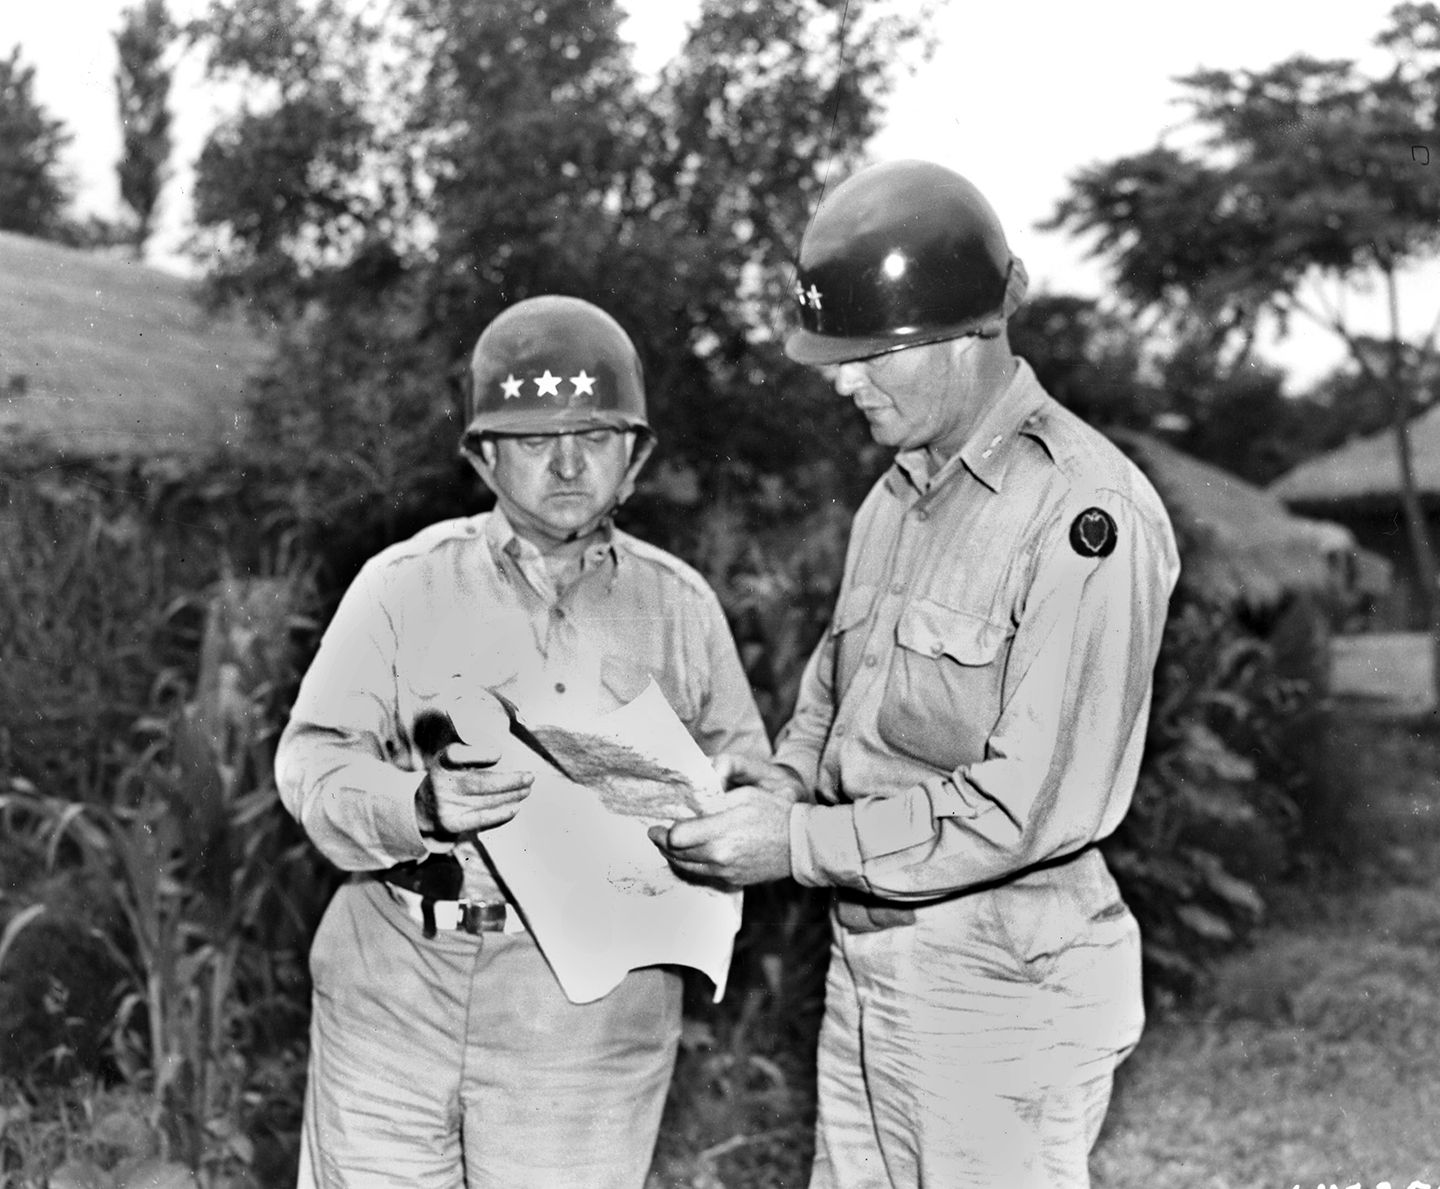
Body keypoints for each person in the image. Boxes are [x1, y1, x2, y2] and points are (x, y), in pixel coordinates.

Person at [654, 160, 1181, 1188]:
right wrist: (787, 777)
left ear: (969, 334)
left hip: (1002, 986)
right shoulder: (893, 500)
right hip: (872, 968)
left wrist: (796, 842)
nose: (841, 381)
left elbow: (1024, 804)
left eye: (866, 356)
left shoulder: (1083, 516)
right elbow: (837, 690)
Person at [275, 295, 771, 1189]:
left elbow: (758, 777)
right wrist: (418, 806)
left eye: (597, 435)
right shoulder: (401, 586)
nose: (570, 463)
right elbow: (310, 759)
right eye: (537, 439)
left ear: (636, 455)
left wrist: (734, 804)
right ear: (484, 455)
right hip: (396, 988)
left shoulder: (681, 606)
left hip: (586, 1014)